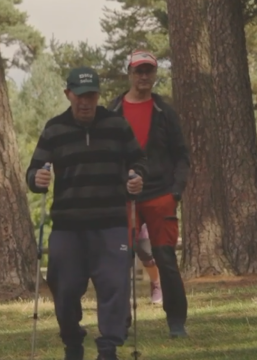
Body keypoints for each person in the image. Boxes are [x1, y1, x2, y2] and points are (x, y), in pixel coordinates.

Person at [26, 66, 148, 360]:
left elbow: (139, 162)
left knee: (115, 286)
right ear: (68, 94)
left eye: (91, 95)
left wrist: (136, 178)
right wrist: (37, 180)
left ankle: (108, 348)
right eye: (79, 95)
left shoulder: (117, 126)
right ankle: (72, 342)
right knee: (64, 289)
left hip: (111, 224)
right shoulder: (54, 128)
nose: (85, 102)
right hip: (68, 226)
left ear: (98, 95)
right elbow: (34, 171)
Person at [108, 50, 190, 338]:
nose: (143, 76)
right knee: (118, 259)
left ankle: (177, 323)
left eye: (148, 71)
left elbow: (181, 155)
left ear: (155, 75)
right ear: (129, 73)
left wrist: (175, 191)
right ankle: (120, 322)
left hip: (160, 195)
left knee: (165, 258)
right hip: (123, 196)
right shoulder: (113, 110)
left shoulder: (165, 112)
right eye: (138, 71)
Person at [136, 224, 163, 305]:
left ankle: (156, 285)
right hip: (120, 217)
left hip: (141, 217)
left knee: (146, 252)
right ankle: (120, 292)